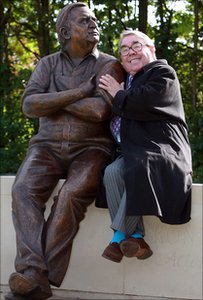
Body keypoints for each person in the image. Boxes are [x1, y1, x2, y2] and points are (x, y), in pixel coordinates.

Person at [6, 3, 125, 300]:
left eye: (94, 20)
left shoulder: (109, 65)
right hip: (45, 147)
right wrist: (78, 92)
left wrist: (52, 99)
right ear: (65, 31)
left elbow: (99, 111)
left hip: (91, 148)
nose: (93, 24)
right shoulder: (47, 64)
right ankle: (34, 272)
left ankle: (35, 277)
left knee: (71, 195)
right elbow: (29, 106)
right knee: (22, 189)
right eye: (84, 21)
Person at [99, 29, 192, 263]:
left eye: (136, 46)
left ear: (152, 49)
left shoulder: (162, 72)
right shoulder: (126, 78)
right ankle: (138, 237)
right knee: (111, 172)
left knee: (140, 167)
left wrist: (118, 93)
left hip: (163, 147)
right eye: (125, 49)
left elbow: (146, 101)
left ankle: (118, 237)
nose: (131, 52)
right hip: (133, 149)